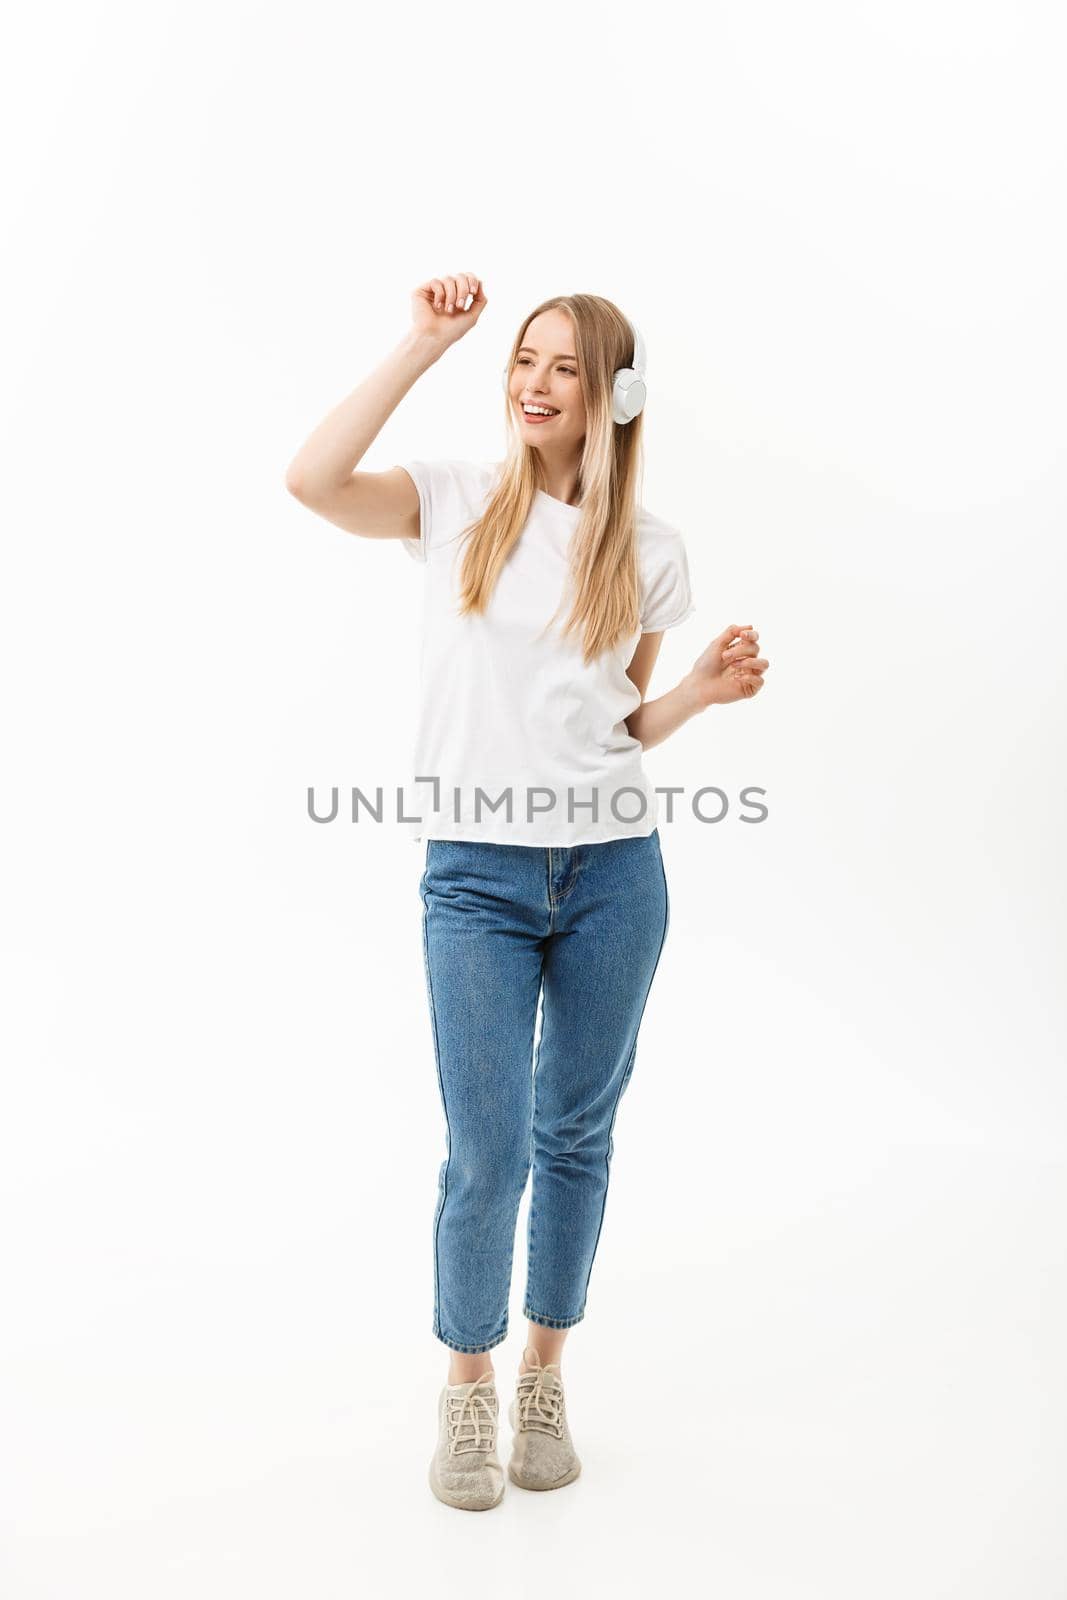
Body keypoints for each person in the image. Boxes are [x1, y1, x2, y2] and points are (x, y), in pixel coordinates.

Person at [285, 272, 769, 1511]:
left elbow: (616, 725)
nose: (531, 383)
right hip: (475, 880)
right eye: (521, 360)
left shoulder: (648, 553)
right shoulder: (453, 503)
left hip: (615, 872)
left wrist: (696, 699)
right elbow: (311, 480)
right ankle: (467, 1386)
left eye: (561, 366)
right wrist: (422, 344)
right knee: (485, 1149)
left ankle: (546, 1374)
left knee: (574, 1136)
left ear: (614, 395)